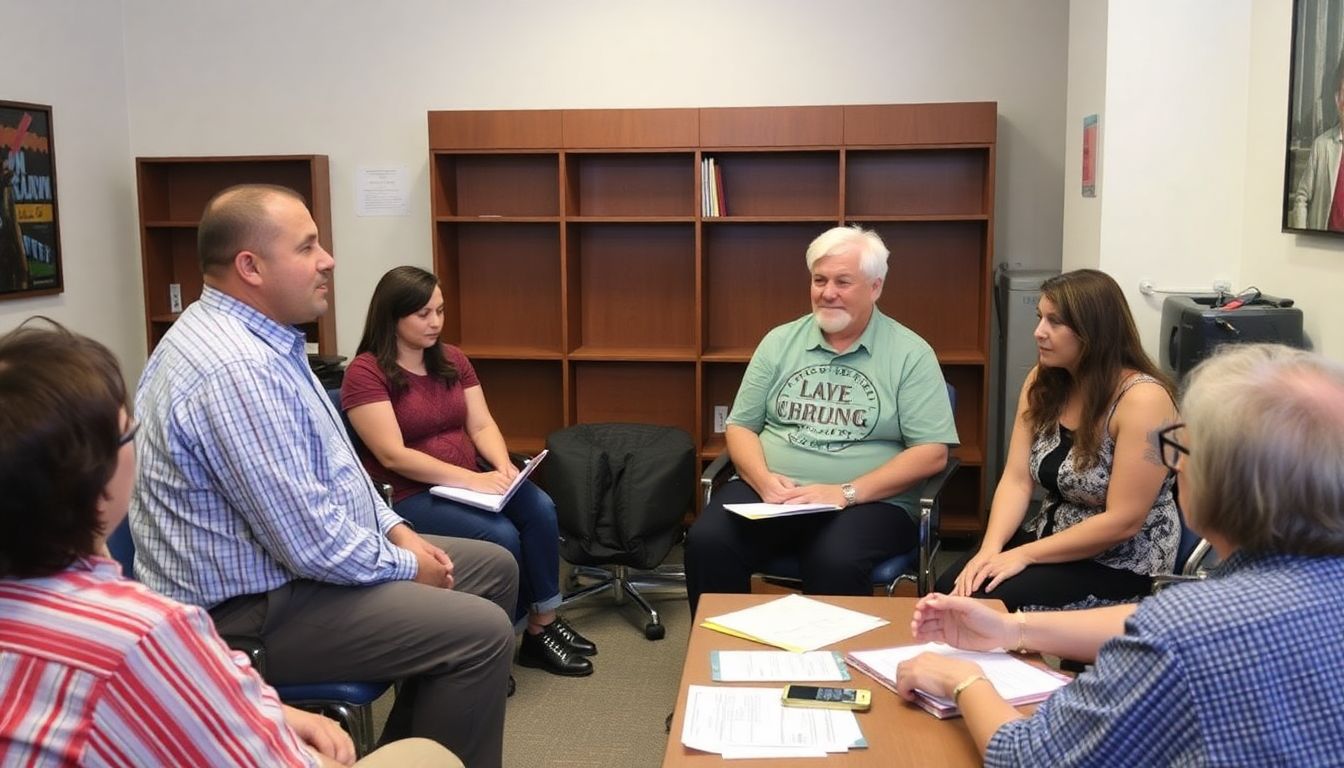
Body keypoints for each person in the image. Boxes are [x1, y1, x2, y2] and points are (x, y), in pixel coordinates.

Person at [129, 184, 518, 768]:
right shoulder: (236, 370)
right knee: (481, 632)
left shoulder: (270, 342)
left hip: (286, 573)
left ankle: (407, 753)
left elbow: (342, 473)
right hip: (248, 611)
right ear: (250, 267)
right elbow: (310, 544)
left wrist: (397, 532)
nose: (328, 259)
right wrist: (410, 566)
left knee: (494, 568)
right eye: (308, 246)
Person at [0, 320, 460, 768]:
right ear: (95, 473)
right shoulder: (144, 636)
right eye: (129, 433)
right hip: (257, 613)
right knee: (430, 757)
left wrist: (274, 713)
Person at [896, 343, 1344, 765]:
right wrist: (1012, 628)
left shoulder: (1185, 632)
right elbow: (1156, 623)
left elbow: (1027, 757)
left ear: (1218, 482)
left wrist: (963, 681)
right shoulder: (1278, 591)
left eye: (1183, 446)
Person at [683, 225, 958, 615]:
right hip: (775, 496)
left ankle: (831, 673)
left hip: (871, 503)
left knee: (835, 558)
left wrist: (844, 492)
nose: (827, 292)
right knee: (708, 540)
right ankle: (723, 664)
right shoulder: (780, 342)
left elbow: (931, 454)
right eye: (819, 280)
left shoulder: (910, 354)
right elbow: (741, 426)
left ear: (875, 287)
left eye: (843, 281)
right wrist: (763, 481)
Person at [341, 265, 595, 677]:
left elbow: (481, 425)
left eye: (440, 311)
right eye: (423, 314)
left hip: (470, 482)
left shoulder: (452, 359)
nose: (436, 322)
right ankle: (497, 642)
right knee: (501, 535)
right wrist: (474, 480)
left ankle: (542, 625)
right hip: (411, 495)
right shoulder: (366, 373)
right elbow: (392, 455)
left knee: (542, 509)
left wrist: (502, 466)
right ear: (393, 316)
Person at [935, 269, 1179, 610]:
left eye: (1055, 322)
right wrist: (990, 549)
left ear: (1094, 332)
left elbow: (1124, 521)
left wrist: (1022, 556)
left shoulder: (1146, 400)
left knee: (978, 604)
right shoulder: (1045, 380)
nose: (1038, 333)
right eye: (1039, 318)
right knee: (950, 587)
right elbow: (1017, 480)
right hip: (1050, 538)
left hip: (1120, 561)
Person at [1292, 52, 1344, 230]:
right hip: (1322, 248)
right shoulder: (1321, 145)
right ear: (1338, 100)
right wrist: (1305, 240)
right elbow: (1301, 198)